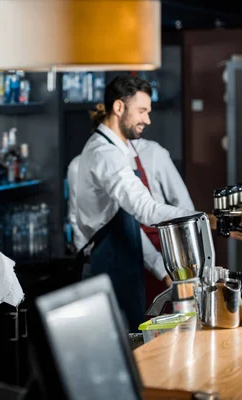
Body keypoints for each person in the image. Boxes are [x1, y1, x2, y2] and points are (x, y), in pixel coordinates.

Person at [73, 75, 200, 332]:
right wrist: (200, 217)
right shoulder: (105, 154)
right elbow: (147, 210)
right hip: (105, 269)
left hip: (123, 265)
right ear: (119, 107)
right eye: (142, 111)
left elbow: (128, 222)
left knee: (136, 346)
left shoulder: (119, 150)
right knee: (121, 356)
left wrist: (159, 268)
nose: (148, 119)